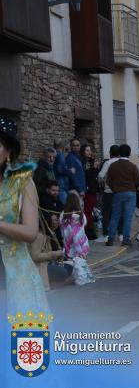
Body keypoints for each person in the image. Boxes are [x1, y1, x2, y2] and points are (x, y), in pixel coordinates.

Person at [0, 115, 50, 327]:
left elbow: (31, 232)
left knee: (25, 352)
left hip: (15, 276)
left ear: (9, 151)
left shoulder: (22, 182)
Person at [105, 144, 139, 246]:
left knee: (115, 216)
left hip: (117, 193)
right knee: (127, 217)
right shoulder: (132, 166)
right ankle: (126, 239)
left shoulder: (113, 166)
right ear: (129, 153)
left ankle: (110, 238)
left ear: (119, 153)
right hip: (130, 193)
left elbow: (108, 181)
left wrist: (115, 189)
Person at [60, 192, 95, 285]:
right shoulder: (81, 215)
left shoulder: (63, 215)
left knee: (70, 261)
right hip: (80, 242)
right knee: (80, 260)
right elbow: (84, 226)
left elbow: (62, 229)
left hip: (68, 243)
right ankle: (81, 277)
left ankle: (71, 277)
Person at [97, 145, 121, 241]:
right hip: (120, 192)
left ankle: (106, 234)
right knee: (119, 213)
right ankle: (120, 233)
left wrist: (102, 182)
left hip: (109, 192)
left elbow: (100, 176)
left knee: (107, 214)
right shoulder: (121, 163)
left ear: (110, 153)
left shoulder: (108, 163)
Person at [80, 143, 100, 240]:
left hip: (92, 188)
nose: (89, 152)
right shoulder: (85, 162)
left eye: (89, 150)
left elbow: (94, 175)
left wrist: (96, 168)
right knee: (87, 211)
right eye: (87, 150)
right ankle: (89, 231)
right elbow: (87, 175)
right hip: (88, 189)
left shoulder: (90, 161)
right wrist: (94, 168)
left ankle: (90, 230)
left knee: (89, 210)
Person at [39, 180, 64, 250]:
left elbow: (62, 208)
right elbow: (54, 210)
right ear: (47, 190)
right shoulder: (44, 198)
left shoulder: (55, 198)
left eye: (57, 191)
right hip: (45, 225)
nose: (56, 193)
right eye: (53, 190)